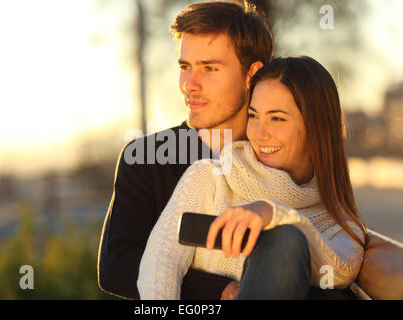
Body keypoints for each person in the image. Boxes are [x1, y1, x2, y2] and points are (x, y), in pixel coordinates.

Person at [137, 56, 367, 300]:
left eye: (277, 118)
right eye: (254, 115)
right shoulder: (209, 178)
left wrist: (273, 214)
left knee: (286, 240)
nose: (258, 133)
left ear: (316, 126)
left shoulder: (338, 221)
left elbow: (340, 271)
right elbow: (159, 267)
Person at [98, 1, 273, 299]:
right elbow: (117, 267)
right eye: (185, 67)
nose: (189, 84)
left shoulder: (279, 156)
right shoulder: (145, 159)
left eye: (209, 68)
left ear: (251, 75)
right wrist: (219, 292)